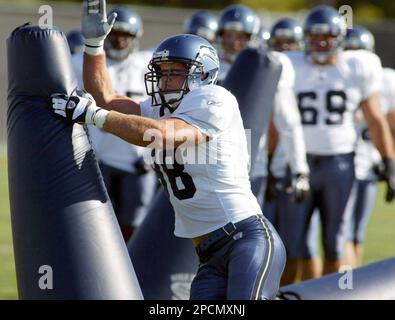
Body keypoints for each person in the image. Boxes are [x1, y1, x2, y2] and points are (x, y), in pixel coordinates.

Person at [51, 0, 286, 300]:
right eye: (161, 71)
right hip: (208, 252)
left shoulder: (215, 98)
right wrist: (95, 46)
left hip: (245, 238)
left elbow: (162, 134)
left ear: (202, 74)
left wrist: (94, 116)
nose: (164, 79)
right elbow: (106, 97)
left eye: (175, 71)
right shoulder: (161, 108)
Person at [280, 6, 395, 280]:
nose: (321, 42)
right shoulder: (290, 64)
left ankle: (337, 296)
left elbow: (376, 118)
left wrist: (389, 162)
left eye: (328, 36)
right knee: (290, 244)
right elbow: (279, 119)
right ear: (305, 37)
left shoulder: (357, 66)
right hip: (299, 162)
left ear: (340, 38)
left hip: (340, 164)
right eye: (315, 36)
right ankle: (286, 296)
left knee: (335, 243)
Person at [70, 6, 156, 243]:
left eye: (126, 35)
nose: (119, 40)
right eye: (115, 33)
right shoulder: (79, 62)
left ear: (136, 38)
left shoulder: (149, 64)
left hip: (138, 161)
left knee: (135, 224)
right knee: (94, 224)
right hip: (97, 157)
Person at [265, 17, 322, 284]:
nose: (285, 49)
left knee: (300, 241)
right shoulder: (270, 66)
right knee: (267, 239)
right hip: (270, 162)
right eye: (279, 43)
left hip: (303, 160)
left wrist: (299, 168)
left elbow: (289, 124)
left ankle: (303, 291)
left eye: (290, 43)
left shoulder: (305, 69)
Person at [343, 26, 395, 268]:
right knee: (349, 236)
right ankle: (348, 287)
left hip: (357, 162)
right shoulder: (385, 78)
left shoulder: (384, 80)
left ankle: (346, 288)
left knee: (347, 236)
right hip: (360, 162)